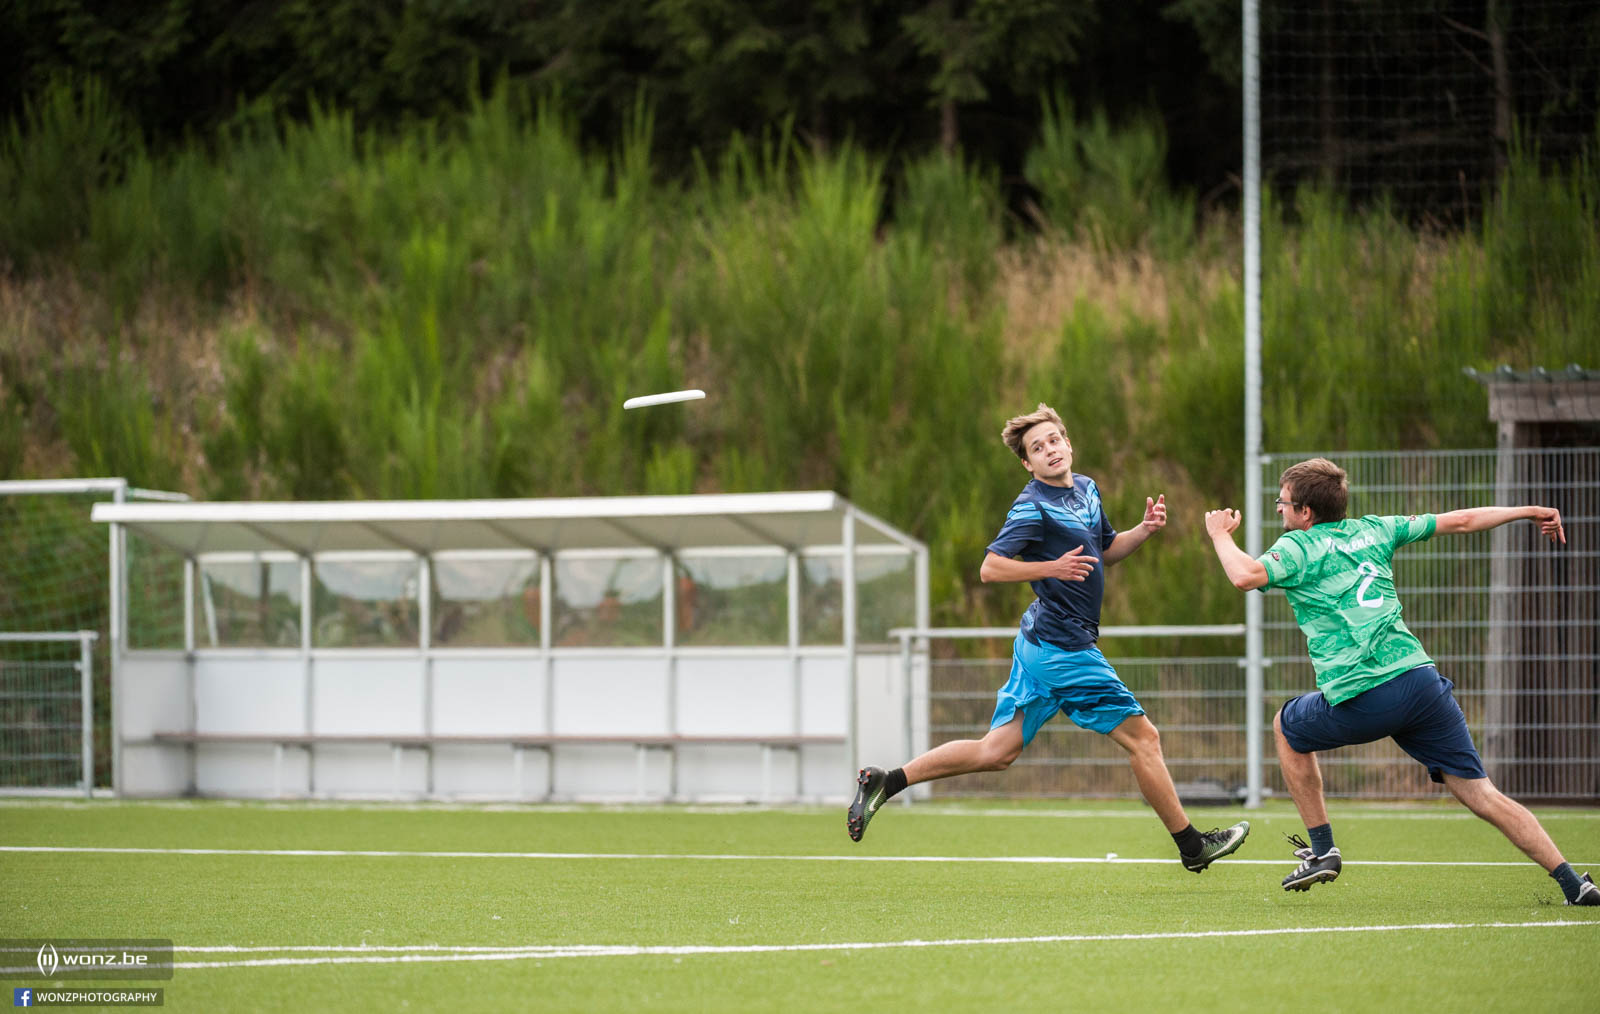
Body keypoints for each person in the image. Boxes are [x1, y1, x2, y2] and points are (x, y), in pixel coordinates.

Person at [848, 403, 1251, 873]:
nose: (1049, 450)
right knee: (1145, 739)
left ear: (1068, 442)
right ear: (1028, 464)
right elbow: (990, 567)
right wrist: (1050, 568)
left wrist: (1143, 531)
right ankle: (1191, 846)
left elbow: (1103, 551)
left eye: (1054, 440)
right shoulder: (1030, 506)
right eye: (1037, 448)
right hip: (1063, 649)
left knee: (996, 751)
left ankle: (886, 780)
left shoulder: (1086, 488)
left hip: (1040, 641)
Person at [1204, 456, 1598, 904]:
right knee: (1481, 793)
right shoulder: (1376, 528)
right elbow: (1464, 520)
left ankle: (1322, 850)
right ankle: (1574, 882)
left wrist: (1219, 535)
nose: (1279, 510)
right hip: (1422, 683)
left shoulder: (1299, 547)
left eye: (1283, 503)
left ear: (1306, 513)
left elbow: (1243, 575)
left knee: (1286, 727)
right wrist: (1529, 511)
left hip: (1369, 694)